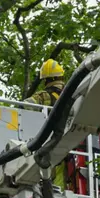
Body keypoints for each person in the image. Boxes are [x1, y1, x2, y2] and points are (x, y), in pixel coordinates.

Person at [25, 59, 67, 189]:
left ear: (48, 79)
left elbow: (25, 106)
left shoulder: (44, 96)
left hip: (49, 144)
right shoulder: (74, 94)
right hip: (69, 145)